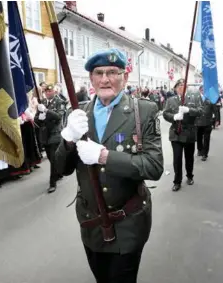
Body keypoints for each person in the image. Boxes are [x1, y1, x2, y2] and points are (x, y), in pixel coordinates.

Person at [55, 48, 163, 283]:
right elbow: (60, 168)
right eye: (99, 73)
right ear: (91, 79)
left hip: (128, 221)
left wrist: (105, 157)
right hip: (91, 221)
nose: (105, 79)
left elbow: (154, 167)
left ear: (124, 77)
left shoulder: (143, 111)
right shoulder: (77, 113)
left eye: (112, 72)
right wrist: (68, 139)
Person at [163, 79, 203, 191]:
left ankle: (190, 176)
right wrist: (174, 117)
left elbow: (200, 111)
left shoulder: (194, 97)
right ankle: (177, 181)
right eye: (179, 85)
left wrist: (189, 110)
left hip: (189, 132)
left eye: (183, 85)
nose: (181, 87)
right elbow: (165, 113)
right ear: (175, 88)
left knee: (189, 157)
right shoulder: (171, 100)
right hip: (176, 133)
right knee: (177, 158)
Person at [36, 84, 66, 193]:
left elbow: (58, 116)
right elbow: (36, 118)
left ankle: (52, 183)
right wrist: (39, 117)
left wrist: (47, 111)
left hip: (55, 134)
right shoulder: (43, 102)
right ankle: (58, 172)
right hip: (45, 134)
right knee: (50, 157)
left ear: (54, 91)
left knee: (53, 159)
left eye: (50, 91)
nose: (48, 93)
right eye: (46, 92)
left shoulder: (60, 102)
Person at [196, 85, 220, 161]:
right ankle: (200, 149)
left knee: (206, 139)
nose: (204, 92)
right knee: (198, 137)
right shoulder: (196, 99)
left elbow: (215, 110)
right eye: (202, 90)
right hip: (198, 122)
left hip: (207, 122)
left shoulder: (210, 99)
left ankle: (205, 154)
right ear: (200, 90)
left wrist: (217, 120)